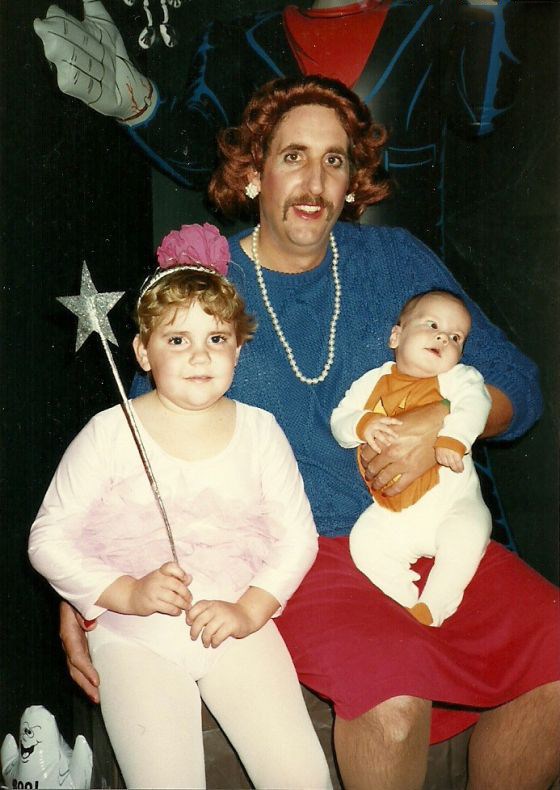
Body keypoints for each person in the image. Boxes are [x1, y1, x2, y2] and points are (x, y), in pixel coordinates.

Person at [60, 77, 560, 789]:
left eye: (335, 160)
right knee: (391, 702)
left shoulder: (395, 263)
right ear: (254, 171)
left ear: (353, 183)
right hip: (298, 556)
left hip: (428, 525)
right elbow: (136, 451)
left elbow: (520, 386)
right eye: (293, 156)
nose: (314, 181)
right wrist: (84, 593)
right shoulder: (209, 280)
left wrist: (437, 422)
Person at [29, 224, 332, 790]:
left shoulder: (261, 431)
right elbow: (48, 538)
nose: (199, 355)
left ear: (239, 348)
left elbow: (298, 538)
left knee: (300, 775)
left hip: (234, 623)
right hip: (133, 636)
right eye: (176, 339)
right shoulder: (110, 431)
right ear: (142, 351)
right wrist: (126, 592)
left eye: (216, 338)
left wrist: (250, 610)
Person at [34, 0, 519, 253]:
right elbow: (206, 157)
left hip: (404, 300)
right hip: (284, 288)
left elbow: (480, 111)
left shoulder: (435, 20)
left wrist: (484, 6)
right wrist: (137, 103)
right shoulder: (237, 38)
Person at [331, 290, 492, 627]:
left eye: (455, 337)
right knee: (365, 541)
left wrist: (454, 437)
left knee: (466, 535)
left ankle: (434, 606)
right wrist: (362, 423)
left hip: (453, 503)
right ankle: (404, 600)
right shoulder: (372, 381)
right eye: (432, 325)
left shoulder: (458, 379)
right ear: (396, 336)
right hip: (397, 511)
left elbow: (476, 403)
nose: (443, 338)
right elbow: (340, 420)